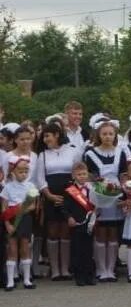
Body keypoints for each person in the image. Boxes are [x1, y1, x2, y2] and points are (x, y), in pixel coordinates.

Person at [35, 122, 83, 281]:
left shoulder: (72, 151)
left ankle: (65, 269)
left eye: (48, 135)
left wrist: (72, 194)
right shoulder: (42, 155)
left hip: (69, 195)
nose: (45, 139)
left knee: (66, 230)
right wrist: (48, 195)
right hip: (51, 195)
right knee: (53, 231)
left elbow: (78, 172)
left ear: (57, 134)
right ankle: (55, 269)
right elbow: (40, 178)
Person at [84, 119, 127, 282]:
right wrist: (99, 189)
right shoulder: (90, 154)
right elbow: (89, 177)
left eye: (111, 134)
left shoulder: (120, 152)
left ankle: (111, 269)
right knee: (101, 233)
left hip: (116, 196)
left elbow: (123, 175)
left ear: (115, 135)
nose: (108, 137)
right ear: (98, 135)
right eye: (104, 134)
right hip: (98, 196)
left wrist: (124, 192)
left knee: (113, 233)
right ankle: (101, 269)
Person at [2, 156, 38, 290]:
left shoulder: (31, 186)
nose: (23, 174)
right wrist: (7, 224)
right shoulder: (7, 187)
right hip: (11, 220)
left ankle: (27, 279)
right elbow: (4, 208)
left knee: (25, 247)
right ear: (13, 171)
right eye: (20, 171)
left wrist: (21, 210)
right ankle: (10, 281)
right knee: (12, 248)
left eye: (26, 171)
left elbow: (33, 205)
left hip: (25, 219)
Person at [61, 162, 96, 286]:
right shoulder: (70, 190)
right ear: (73, 176)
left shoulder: (92, 188)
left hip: (90, 223)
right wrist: (69, 217)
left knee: (89, 250)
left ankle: (89, 275)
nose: (82, 176)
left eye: (84, 174)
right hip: (76, 223)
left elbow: (97, 204)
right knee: (77, 250)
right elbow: (64, 208)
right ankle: (79, 276)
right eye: (79, 174)